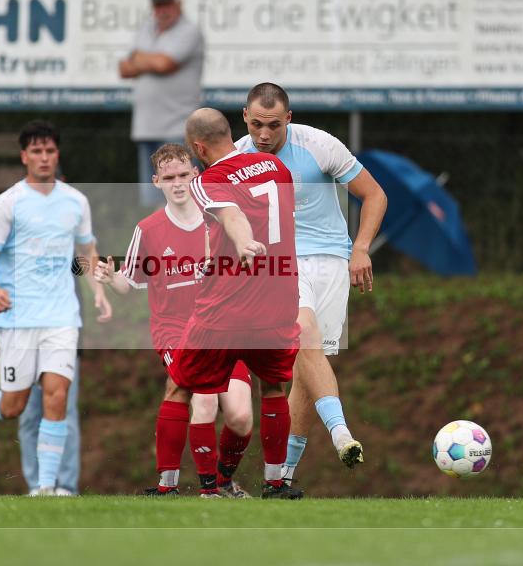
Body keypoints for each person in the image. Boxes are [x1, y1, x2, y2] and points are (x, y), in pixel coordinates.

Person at [236, 83, 387, 487]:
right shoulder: (236, 158)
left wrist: (361, 249)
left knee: (306, 371)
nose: (263, 135)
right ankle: (341, 433)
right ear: (244, 118)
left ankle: (283, 476)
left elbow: (374, 195)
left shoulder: (319, 146)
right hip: (279, 264)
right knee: (303, 335)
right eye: (255, 125)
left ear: (288, 118)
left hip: (331, 262)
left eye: (272, 125)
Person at [0, 120, 112, 497]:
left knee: (56, 396)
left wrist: (98, 292)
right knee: (15, 406)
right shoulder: (9, 203)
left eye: (50, 151)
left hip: (61, 317)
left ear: (57, 155)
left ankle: (46, 489)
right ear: (25, 156)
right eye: (37, 152)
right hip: (17, 318)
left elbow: (87, 251)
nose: (44, 158)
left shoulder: (76, 201)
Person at [94, 143, 253, 499]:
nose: (178, 183)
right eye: (169, 178)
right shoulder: (148, 229)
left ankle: (225, 479)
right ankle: (205, 490)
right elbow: (129, 283)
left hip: (223, 330)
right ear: (156, 182)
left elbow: (246, 270)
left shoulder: (220, 219)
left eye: (184, 175)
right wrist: (108, 277)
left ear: (196, 175)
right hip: (175, 331)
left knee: (241, 417)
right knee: (204, 399)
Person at [163, 108, 302, 499]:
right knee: (273, 386)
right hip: (278, 300)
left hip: (226, 306)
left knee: (179, 388)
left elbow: (233, 214)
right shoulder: (275, 167)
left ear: (197, 148)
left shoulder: (209, 180)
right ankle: (275, 483)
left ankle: (168, 487)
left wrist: (240, 243)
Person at [0, 293, 81, 496]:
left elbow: (85, 264)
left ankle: (64, 487)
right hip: (22, 329)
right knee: (21, 410)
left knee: (63, 408)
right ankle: (36, 485)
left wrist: (101, 291)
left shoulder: (69, 260)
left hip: (61, 329)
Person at [119, 0, 205, 206]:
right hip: (146, 128)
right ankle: (161, 243)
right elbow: (125, 68)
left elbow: (164, 63)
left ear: (178, 4)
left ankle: (189, 242)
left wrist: (141, 58)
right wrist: (150, 60)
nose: (162, 11)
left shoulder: (189, 30)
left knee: (183, 198)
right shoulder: (147, 28)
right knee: (153, 203)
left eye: (167, 4)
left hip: (177, 128)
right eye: (158, 6)